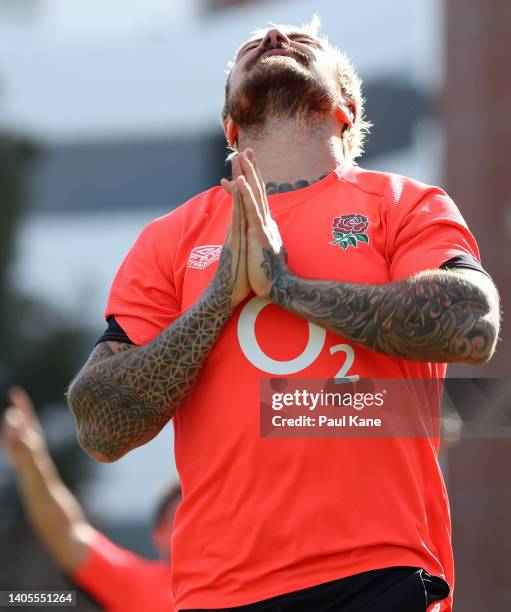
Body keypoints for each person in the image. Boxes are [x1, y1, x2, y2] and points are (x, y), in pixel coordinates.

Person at [66, 17, 500, 612]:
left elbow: (471, 323)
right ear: (230, 126)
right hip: (217, 593)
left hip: (379, 574)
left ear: (344, 109)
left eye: (305, 43)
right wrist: (222, 297)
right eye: (251, 46)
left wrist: (287, 289)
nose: (272, 34)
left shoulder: (404, 204)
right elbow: (99, 424)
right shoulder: (169, 239)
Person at [1, 386, 179, 612]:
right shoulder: (141, 586)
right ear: (159, 535)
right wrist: (30, 459)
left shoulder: (237, 581)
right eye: (178, 517)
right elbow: (68, 533)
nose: (195, 526)